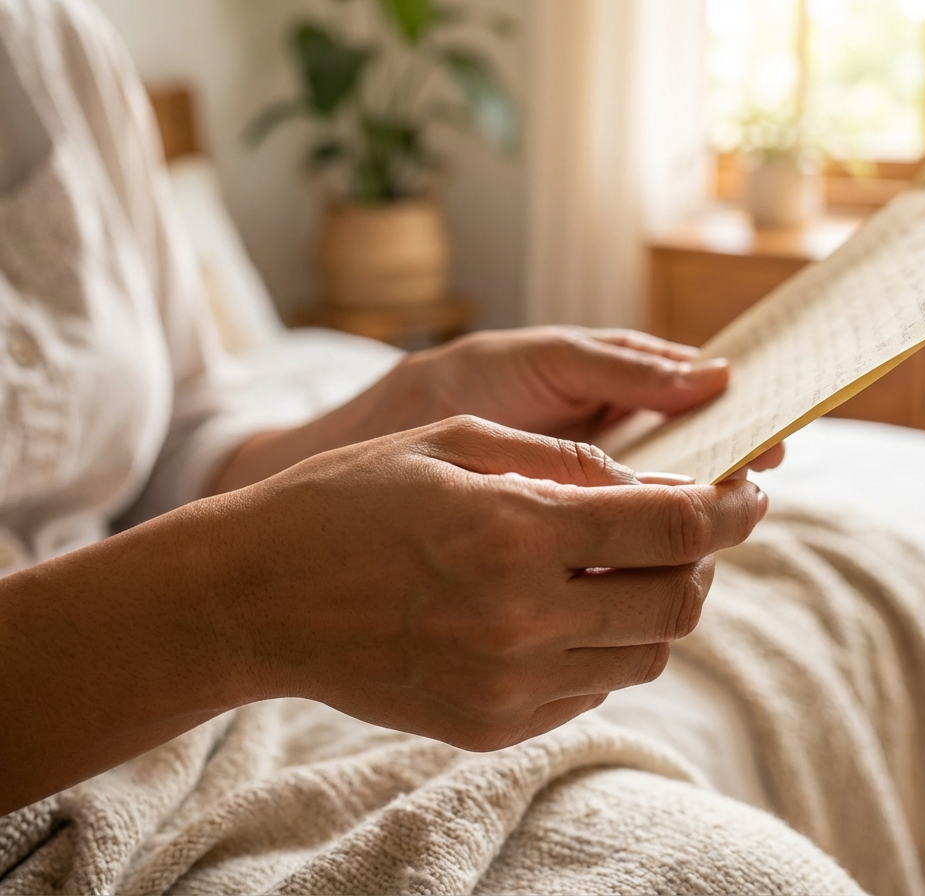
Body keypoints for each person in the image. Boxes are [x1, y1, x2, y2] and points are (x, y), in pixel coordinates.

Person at [0, 0, 783, 817]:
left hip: (173, 741)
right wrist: (247, 601)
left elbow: (172, 449)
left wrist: (414, 404)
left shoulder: (55, 39)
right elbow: (220, 559)